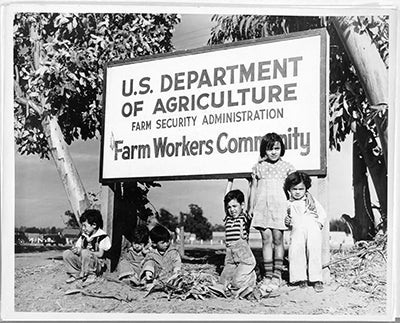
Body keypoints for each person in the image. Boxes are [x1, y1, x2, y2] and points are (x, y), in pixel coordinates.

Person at [249, 132, 295, 291]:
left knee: (278, 239)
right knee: (266, 239)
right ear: (264, 150)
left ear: (281, 148)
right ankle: (267, 275)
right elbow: (253, 188)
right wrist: (250, 207)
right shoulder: (258, 167)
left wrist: (292, 208)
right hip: (262, 207)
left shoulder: (287, 167)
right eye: (270, 149)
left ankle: (277, 275)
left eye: (277, 148)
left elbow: (292, 190)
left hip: (279, 207)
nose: (274, 152)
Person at [283, 171, 327, 292]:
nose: (297, 192)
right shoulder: (288, 204)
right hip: (297, 230)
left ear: (306, 189)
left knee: (313, 250)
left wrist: (318, 224)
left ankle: (316, 278)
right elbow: (287, 220)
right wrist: (287, 221)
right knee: (296, 250)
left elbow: (322, 213)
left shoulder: (310, 201)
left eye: (301, 189)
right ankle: (300, 277)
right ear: (289, 190)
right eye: (294, 189)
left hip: (312, 228)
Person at [220, 189, 256, 291]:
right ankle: (238, 277)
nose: (232, 209)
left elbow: (250, 202)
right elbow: (225, 199)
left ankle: (252, 278)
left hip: (243, 256)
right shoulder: (227, 218)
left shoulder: (244, 218)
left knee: (237, 283)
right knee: (223, 281)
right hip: (230, 256)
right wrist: (230, 181)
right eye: (229, 207)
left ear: (242, 205)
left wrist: (251, 183)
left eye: (235, 206)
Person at [63, 209, 111, 284]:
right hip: (83, 262)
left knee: (85, 252)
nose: (83, 228)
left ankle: (91, 275)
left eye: (85, 226)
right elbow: (79, 248)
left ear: (94, 225)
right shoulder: (83, 237)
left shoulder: (102, 236)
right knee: (67, 253)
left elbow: (101, 254)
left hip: (96, 264)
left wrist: (85, 252)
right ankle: (75, 274)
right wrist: (76, 250)